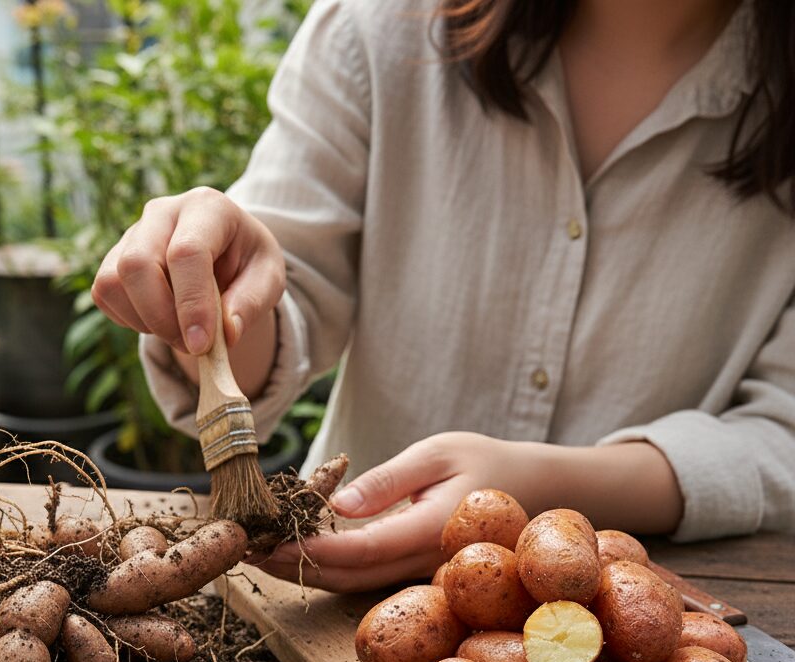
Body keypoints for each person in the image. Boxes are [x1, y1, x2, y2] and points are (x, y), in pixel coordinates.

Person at [91, 0, 795, 592]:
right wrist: (208, 296)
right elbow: (281, 304)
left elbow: (783, 436)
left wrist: (545, 484)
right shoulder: (384, 24)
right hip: (324, 606)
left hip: (634, 641)